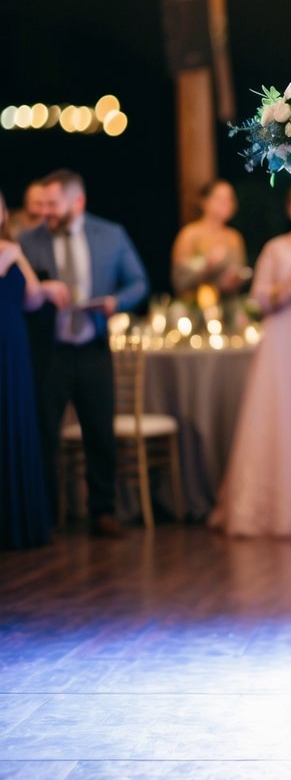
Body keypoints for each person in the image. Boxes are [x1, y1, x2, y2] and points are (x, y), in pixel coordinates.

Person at [20, 169, 150, 538]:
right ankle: (43, 513)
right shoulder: (28, 241)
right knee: (44, 434)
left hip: (93, 347)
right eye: (41, 203)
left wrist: (116, 302)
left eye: (52, 203)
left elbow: (139, 282)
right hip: (48, 351)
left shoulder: (110, 234)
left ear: (77, 202)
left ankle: (103, 511)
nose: (44, 211)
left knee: (99, 431)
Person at [210, 179, 291, 537]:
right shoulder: (275, 248)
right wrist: (285, 287)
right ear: (289, 209)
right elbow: (257, 301)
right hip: (283, 339)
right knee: (279, 414)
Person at [1, 191, 69, 548]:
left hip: (13, 344)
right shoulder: (11, 250)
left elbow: (29, 295)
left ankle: (19, 521)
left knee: (17, 420)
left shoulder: (13, 249)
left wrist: (47, 288)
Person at [171, 179, 250, 303]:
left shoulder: (234, 237)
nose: (226, 203)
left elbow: (239, 274)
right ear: (204, 201)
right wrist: (206, 265)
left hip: (227, 302)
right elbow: (179, 281)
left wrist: (235, 279)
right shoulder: (189, 234)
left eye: (229, 199)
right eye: (219, 199)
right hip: (194, 304)